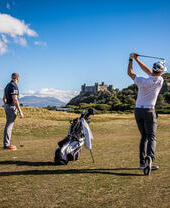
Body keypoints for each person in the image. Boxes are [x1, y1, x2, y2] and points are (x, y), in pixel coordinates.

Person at [127, 53, 167, 175]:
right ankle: (149, 158)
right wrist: (137, 59)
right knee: (151, 137)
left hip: (138, 110)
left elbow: (130, 72)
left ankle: (141, 163)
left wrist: (132, 59)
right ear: (160, 72)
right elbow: (150, 72)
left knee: (144, 137)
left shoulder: (141, 80)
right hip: (149, 111)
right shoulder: (160, 80)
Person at [3, 73, 24, 150]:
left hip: (7, 105)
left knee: (8, 125)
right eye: (18, 78)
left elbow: (4, 98)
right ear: (17, 78)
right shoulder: (14, 85)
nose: (19, 79)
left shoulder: (7, 85)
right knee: (9, 125)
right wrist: (20, 111)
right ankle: (7, 145)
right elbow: (15, 99)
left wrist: (6, 106)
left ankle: (6, 143)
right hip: (11, 106)